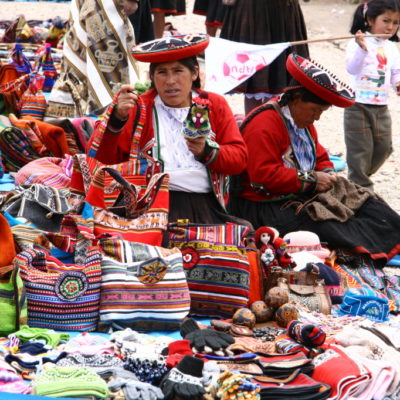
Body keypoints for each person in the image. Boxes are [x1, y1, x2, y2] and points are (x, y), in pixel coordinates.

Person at [228, 53, 400, 265]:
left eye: (321, 112)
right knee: (327, 223)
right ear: (297, 99)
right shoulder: (265, 124)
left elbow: (319, 154)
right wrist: (311, 180)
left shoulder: (300, 121)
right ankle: (370, 251)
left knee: (367, 204)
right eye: (315, 110)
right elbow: (262, 176)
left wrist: (327, 173)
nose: (317, 117)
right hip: (264, 206)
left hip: (297, 193)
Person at [87, 34, 249, 225]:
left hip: (206, 205)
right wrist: (116, 119)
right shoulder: (140, 108)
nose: (170, 81)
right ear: (152, 78)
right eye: (162, 72)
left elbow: (239, 160)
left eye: (178, 71)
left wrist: (206, 151)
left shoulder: (214, 105)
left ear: (195, 73)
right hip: (150, 206)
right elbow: (99, 160)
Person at [46, 0, 141, 116]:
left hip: (96, 7)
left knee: (81, 59)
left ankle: (79, 115)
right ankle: (107, 114)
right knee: (99, 62)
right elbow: (130, 6)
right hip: (103, 9)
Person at [344, 0, 400, 190]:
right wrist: (361, 49)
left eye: (395, 22)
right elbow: (352, 69)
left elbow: (395, 72)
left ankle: (358, 178)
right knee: (360, 150)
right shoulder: (358, 42)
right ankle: (361, 187)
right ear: (369, 19)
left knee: (385, 147)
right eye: (386, 20)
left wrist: (398, 83)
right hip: (357, 106)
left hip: (381, 107)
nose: (390, 27)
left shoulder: (392, 48)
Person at [219, 0, 309, 115]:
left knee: (278, 73)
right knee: (252, 73)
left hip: (281, 9)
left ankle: (268, 123)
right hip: (253, 8)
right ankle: (253, 126)